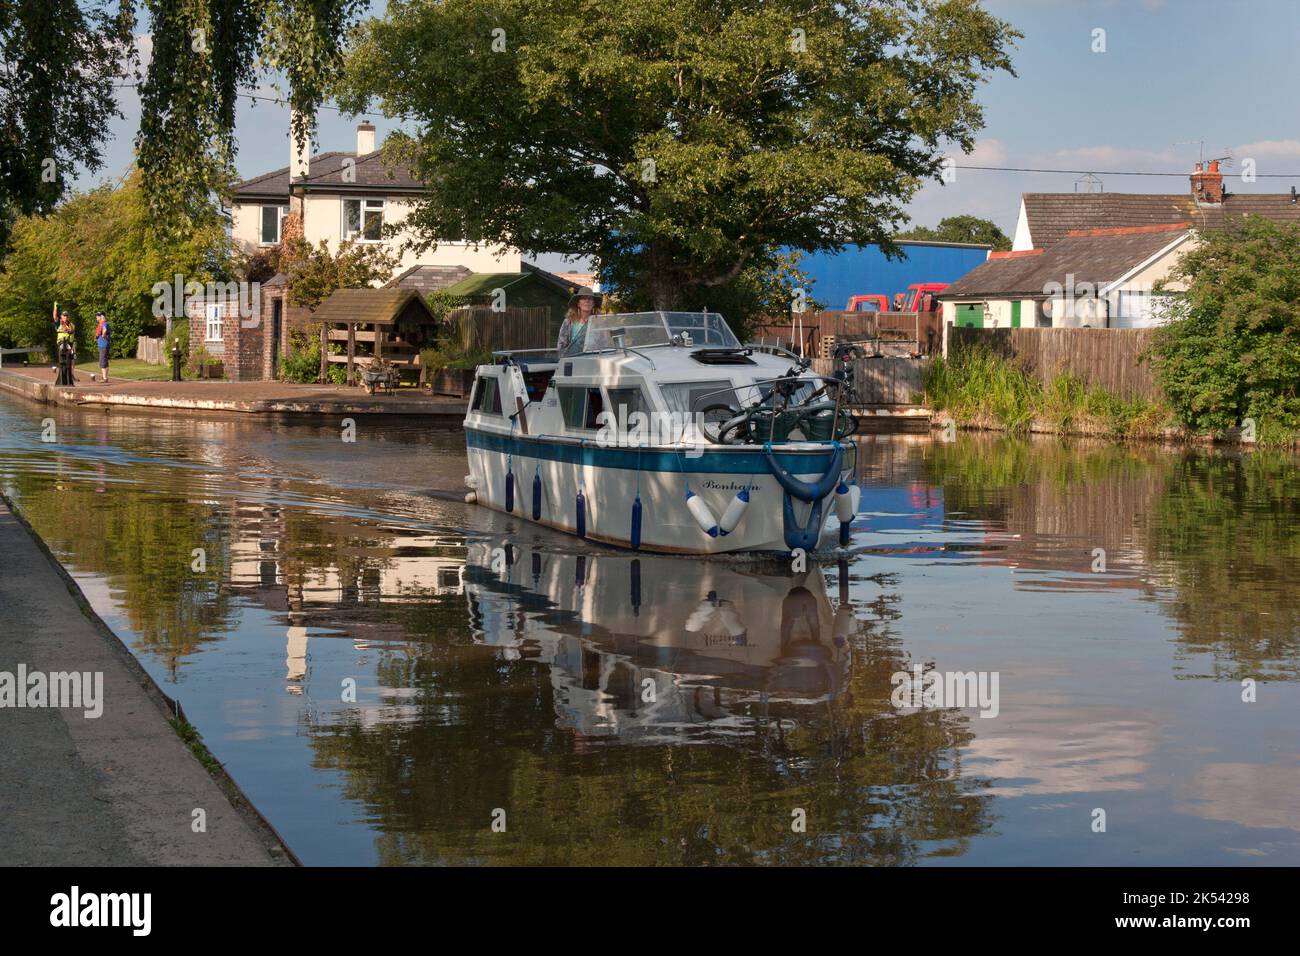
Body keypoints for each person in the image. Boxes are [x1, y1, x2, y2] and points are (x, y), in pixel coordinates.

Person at [557, 291, 601, 357]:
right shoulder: (568, 322)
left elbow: (604, 345)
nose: (587, 300)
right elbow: (561, 346)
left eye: (590, 298)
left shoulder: (599, 323)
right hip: (573, 360)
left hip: (593, 361)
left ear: (593, 303)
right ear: (578, 304)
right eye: (583, 298)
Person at [54, 311, 77, 386]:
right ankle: (61, 381)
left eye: (67, 316)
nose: (65, 317)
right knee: (62, 363)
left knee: (69, 363)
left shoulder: (72, 325)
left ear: (68, 317)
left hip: (69, 345)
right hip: (61, 344)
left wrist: (73, 346)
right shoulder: (58, 324)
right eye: (64, 316)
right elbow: (54, 317)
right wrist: (55, 307)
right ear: (61, 317)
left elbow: (71, 333)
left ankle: (69, 381)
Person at [93, 311, 110, 383]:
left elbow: (105, 329)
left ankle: (104, 378)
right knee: (105, 361)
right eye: (97, 316)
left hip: (103, 345)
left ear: (101, 317)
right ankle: (105, 377)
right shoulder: (101, 324)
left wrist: (103, 334)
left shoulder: (104, 323)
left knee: (102, 361)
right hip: (103, 344)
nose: (97, 317)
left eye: (98, 316)